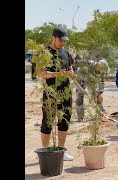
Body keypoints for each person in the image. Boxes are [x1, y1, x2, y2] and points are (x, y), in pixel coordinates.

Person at [37, 27, 76, 161]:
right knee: (47, 121)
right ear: (53, 37)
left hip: (65, 92)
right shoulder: (45, 53)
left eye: (65, 41)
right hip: (50, 93)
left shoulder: (66, 53)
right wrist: (56, 74)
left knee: (64, 121)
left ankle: (61, 151)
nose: (63, 44)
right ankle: (46, 152)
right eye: (61, 41)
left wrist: (72, 74)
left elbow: (71, 68)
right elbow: (40, 74)